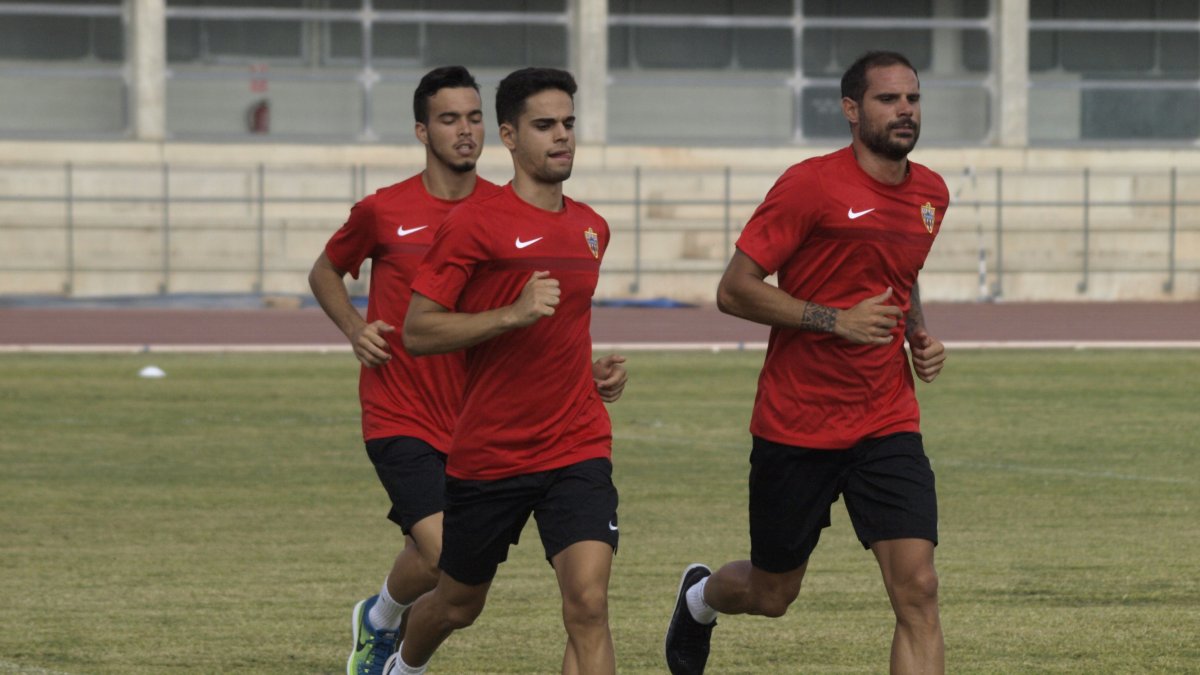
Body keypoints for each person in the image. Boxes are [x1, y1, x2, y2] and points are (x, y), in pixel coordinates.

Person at [664, 51, 949, 675]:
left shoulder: (932, 193)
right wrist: (835, 319)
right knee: (772, 594)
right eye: (887, 99)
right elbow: (733, 289)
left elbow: (902, 275)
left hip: (886, 420)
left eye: (913, 99)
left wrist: (917, 333)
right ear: (851, 110)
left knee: (918, 590)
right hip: (797, 425)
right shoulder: (810, 185)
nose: (905, 110)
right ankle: (700, 598)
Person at [383, 67, 627, 675]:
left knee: (588, 605)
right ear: (511, 138)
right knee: (459, 604)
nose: (562, 137)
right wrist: (511, 314)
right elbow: (418, 330)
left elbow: (561, 329)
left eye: (568, 124)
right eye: (545, 126)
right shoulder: (474, 223)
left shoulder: (592, 228)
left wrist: (590, 372)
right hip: (492, 454)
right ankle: (403, 664)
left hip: (576, 443)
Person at [307, 65, 502, 675]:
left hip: (476, 421)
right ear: (423, 131)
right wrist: (354, 329)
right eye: (450, 119)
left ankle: (380, 618)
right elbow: (324, 272)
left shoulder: (506, 210)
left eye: (474, 117)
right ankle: (402, 658)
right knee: (448, 558)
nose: (466, 131)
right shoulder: (383, 210)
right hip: (399, 412)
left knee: (431, 553)